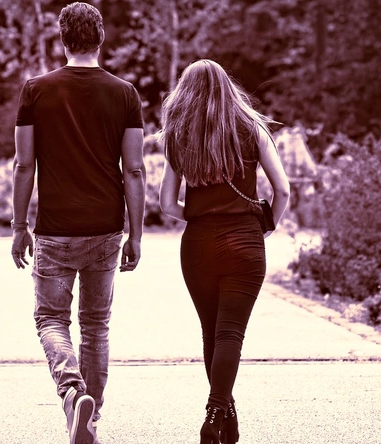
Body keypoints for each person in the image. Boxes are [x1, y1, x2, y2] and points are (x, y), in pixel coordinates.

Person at [10, 3, 145, 444]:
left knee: (51, 319)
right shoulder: (125, 94)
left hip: (54, 229)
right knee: (95, 326)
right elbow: (134, 169)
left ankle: (72, 393)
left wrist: (18, 226)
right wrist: (136, 233)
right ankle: (91, 416)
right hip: (106, 227)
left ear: (63, 39)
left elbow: (23, 164)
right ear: (100, 38)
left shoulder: (36, 91)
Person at [158, 59, 290, 444]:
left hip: (198, 243)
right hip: (245, 241)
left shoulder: (178, 137)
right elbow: (282, 190)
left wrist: (200, 213)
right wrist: (267, 224)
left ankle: (222, 418)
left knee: (211, 332)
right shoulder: (252, 129)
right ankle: (217, 414)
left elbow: (166, 204)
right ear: (227, 89)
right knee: (230, 333)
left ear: (184, 95)